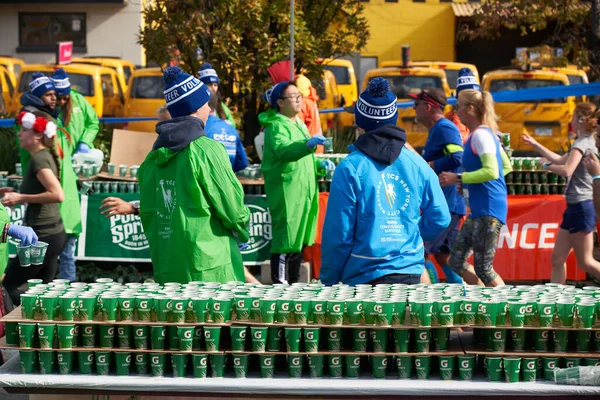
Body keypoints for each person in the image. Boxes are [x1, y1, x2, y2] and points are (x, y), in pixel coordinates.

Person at [320, 78, 450, 286]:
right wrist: (409, 235)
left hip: (363, 276)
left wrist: (329, 279)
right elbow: (440, 217)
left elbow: (339, 234)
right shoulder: (417, 163)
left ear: (359, 122)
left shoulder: (350, 168)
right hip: (409, 272)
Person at [138, 66, 250, 284]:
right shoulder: (207, 150)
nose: (209, 110)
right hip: (210, 268)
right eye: (206, 104)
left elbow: (151, 214)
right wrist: (241, 230)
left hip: (169, 266)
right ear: (196, 107)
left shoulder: (151, 160)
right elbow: (231, 205)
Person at [439, 68, 510, 287]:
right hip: (479, 210)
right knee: (456, 260)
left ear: (470, 108)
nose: (455, 109)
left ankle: (507, 311)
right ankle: (482, 303)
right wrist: (471, 185)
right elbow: (504, 166)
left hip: (489, 211)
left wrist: (459, 179)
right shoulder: (478, 135)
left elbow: (493, 171)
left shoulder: (481, 135)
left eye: (459, 105)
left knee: (484, 268)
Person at [259, 81, 333, 284]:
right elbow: (284, 150)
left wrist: (319, 165)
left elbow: (302, 157)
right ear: (280, 103)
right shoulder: (276, 126)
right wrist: (308, 144)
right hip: (287, 191)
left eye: (299, 95)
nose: (299, 99)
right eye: (293, 96)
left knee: (298, 240)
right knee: (286, 240)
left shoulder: (297, 123)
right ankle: (281, 288)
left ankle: (292, 287)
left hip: (301, 192)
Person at [522, 102, 600, 283]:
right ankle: (556, 304)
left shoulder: (583, 143)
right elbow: (560, 158)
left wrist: (545, 165)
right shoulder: (584, 142)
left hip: (581, 206)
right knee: (557, 259)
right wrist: (535, 144)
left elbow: (566, 170)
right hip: (574, 206)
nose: (570, 120)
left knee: (586, 262)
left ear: (580, 120)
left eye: (573, 116)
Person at [18, 73, 81, 283]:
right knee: (40, 275)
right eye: (48, 94)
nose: (53, 98)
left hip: (57, 206)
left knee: (51, 267)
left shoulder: (52, 122)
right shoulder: (38, 123)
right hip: (48, 212)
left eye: (55, 93)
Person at [2, 112, 66, 304]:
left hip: (42, 236)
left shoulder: (39, 159)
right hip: (50, 234)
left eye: (24, 129)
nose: (19, 134)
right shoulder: (41, 156)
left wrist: (20, 197)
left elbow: (57, 194)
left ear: (38, 135)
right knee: (43, 294)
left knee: (7, 288)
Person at [411, 88, 465, 284]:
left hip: (446, 205)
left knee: (419, 251)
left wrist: (431, 165)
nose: (413, 108)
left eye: (416, 104)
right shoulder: (438, 129)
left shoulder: (444, 128)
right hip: (450, 205)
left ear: (428, 106)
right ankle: (463, 296)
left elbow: (458, 156)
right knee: (444, 257)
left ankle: (431, 300)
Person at [51, 68, 99, 282]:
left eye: (64, 98)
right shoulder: (51, 113)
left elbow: (93, 122)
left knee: (67, 249)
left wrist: (85, 142)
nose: (61, 101)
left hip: (76, 168)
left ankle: (67, 286)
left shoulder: (79, 101)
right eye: (58, 98)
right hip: (59, 171)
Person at [205, 96, 248, 172]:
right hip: (227, 180)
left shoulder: (200, 128)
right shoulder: (230, 128)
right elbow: (242, 162)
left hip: (206, 180)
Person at [198, 62, 236, 127]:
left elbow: (232, 124)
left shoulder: (220, 105)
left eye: (215, 85)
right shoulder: (196, 105)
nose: (213, 88)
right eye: (209, 84)